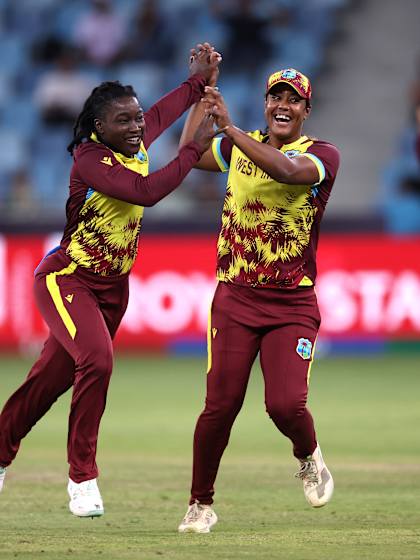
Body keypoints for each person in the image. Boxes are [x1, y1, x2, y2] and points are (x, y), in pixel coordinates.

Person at [0, 45, 221, 518]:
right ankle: (82, 479)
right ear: (99, 126)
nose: (137, 127)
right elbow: (146, 191)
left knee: (49, 382)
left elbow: (163, 111)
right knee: (97, 362)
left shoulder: (134, 140)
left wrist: (199, 81)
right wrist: (192, 150)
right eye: (124, 120)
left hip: (113, 289)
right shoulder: (90, 159)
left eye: (137, 118)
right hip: (68, 279)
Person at [177, 66, 340, 533]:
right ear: (266, 104)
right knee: (220, 406)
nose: (283, 106)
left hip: (292, 304)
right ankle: (200, 504)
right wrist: (201, 97)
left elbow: (286, 171)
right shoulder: (237, 145)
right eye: (275, 98)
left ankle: (308, 455)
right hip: (235, 297)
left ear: (307, 110)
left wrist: (228, 127)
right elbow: (187, 156)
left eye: (293, 100)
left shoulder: (321, 154)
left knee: (285, 406)